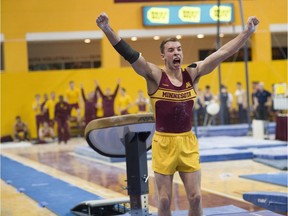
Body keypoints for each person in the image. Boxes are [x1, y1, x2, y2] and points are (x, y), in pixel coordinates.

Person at [96, 12, 259, 216]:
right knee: (164, 201)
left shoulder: (192, 73)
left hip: (187, 142)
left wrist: (247, 32)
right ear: (163, 56)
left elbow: (222, 53)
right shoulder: (155, 75)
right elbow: (130, 54)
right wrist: (107, 29)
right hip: (164, 143)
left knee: (196, 197)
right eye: (171, 50)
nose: (177, 53)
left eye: (179, 49)